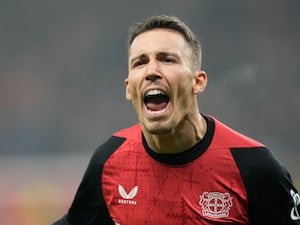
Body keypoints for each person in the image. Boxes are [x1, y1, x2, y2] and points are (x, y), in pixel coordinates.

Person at [52, 15, 300, 225]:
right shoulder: (109, 161)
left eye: (167, 59)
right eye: (140, 62)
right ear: (129, 89)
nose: (151, 71)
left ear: (198, 81)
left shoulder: (254, 167)